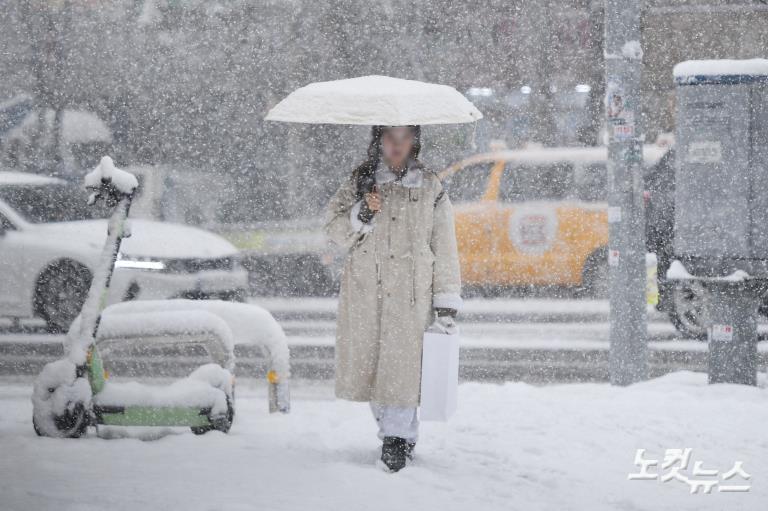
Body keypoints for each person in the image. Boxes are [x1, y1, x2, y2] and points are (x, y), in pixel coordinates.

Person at [324, 125, 462, 472]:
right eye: (390, 138)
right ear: (379, 140)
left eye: (404, 138)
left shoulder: (430, 185)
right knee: (372, 368)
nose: (397, 146)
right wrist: (363, 212)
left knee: (401, 368)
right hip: (366, 289)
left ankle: (396, 439)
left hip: (412, 292)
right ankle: (396, 431)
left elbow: (444, 245)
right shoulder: (360, 180)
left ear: (415, 141)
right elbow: (335, 231)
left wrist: (446, 302)